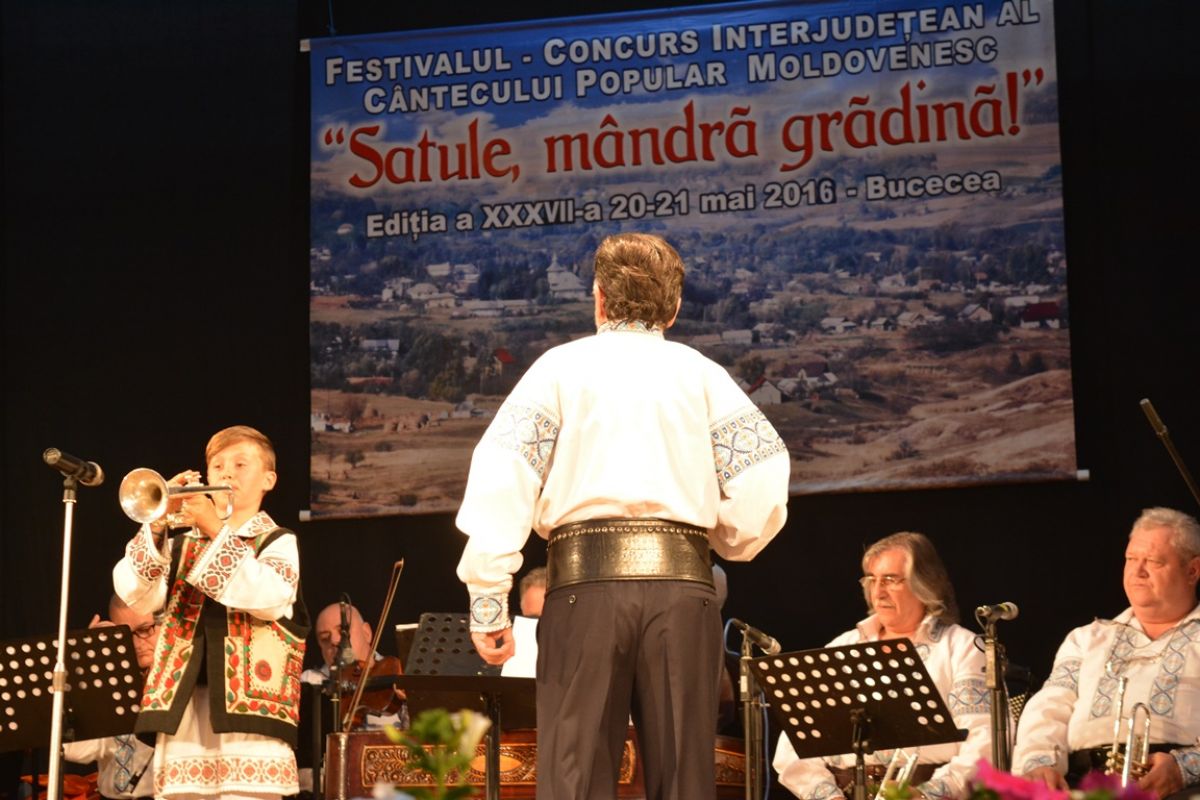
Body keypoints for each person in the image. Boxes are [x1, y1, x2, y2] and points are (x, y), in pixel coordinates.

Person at [455, 232, 790, 800]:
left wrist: (489, 597)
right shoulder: (703, 375)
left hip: (584, 593)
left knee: (574, 778)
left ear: (599, 299)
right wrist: (725, 539)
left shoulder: (559, 370)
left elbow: (503, 473)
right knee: (686, 781)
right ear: (674, 307)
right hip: (683, 592)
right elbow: (763, 477)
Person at [113, 425, 308, 799]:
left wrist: (214, 528)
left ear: (269, 480)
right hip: (182, 710)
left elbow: (270, 598)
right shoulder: (181, 544)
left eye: (240, 464)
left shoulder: (278, 540)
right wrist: (157, 524)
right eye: (217, 466)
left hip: (251, 714)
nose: (227, 473)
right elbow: (134, 594)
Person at [772, 532, 991, 800]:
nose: (878, 592)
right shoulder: (842, 647)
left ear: (924, 583)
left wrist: (928, 795)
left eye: (890, 580)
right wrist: (828, 796)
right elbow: (794, 744)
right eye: (871, 580)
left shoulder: (962, 647)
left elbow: (985, 740)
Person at [1011, 507, 1200, 800]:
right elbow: (1050, 707)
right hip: (1082, 786)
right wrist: (1039, 763)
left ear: (1192, 571)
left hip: (1180, 789)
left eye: (1153, 561)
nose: (1138, 571)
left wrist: (1185, 768)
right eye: (1131, 559)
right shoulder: (1087, 638)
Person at [62, 595, 161, 799]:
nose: (136, 643)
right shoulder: (111, 681)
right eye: (125, 634)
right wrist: (87, 665)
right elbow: (74, 750)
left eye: (144, 629)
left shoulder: (189, 681)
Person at [300, 601, 407, 729]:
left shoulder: (397, 670)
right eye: (325, 638)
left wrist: (411, 702)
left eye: (343, 631)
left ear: (366, 633)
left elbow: (421, 735)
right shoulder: (313, 680)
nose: (334, 640)